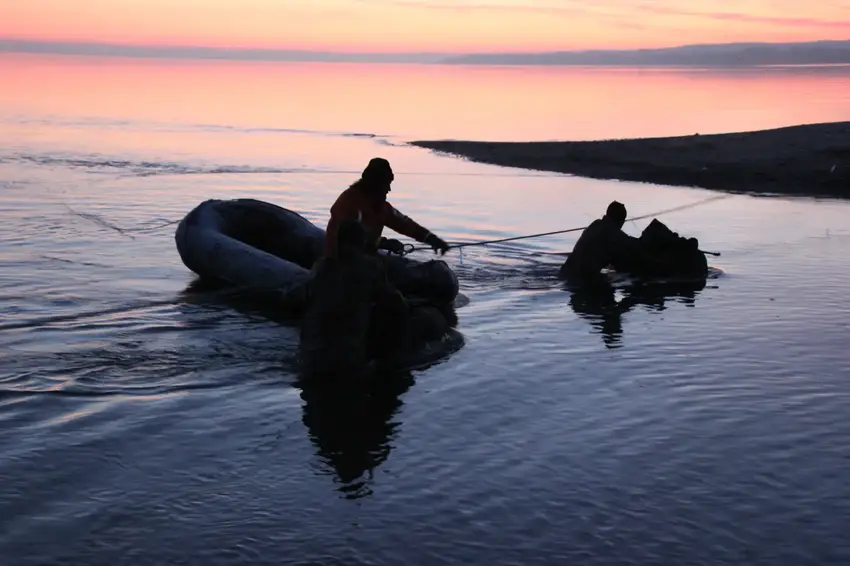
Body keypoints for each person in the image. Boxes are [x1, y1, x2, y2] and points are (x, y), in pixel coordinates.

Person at [300, 218, 410, 379]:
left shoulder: (320, 267)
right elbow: (394, 302)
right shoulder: (370, 268)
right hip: (347, 361)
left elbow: (306, 299)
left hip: (310, 358)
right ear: (361, 242)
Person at [324, 157, 450, 258]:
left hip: (365, 260)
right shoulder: (348, 202)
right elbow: (348, 236)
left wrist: (431, 239)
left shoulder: (380, 206)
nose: (389, 190)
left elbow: (404, 224)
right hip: (340, 262)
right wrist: (383, 243)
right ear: (374, 184)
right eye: (386, 185)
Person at [559, 201, 640, 282]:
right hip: (581, 278)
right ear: (622, 222)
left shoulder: (595, 224)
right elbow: (632, 244)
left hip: (565, 271)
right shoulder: (614, 234)